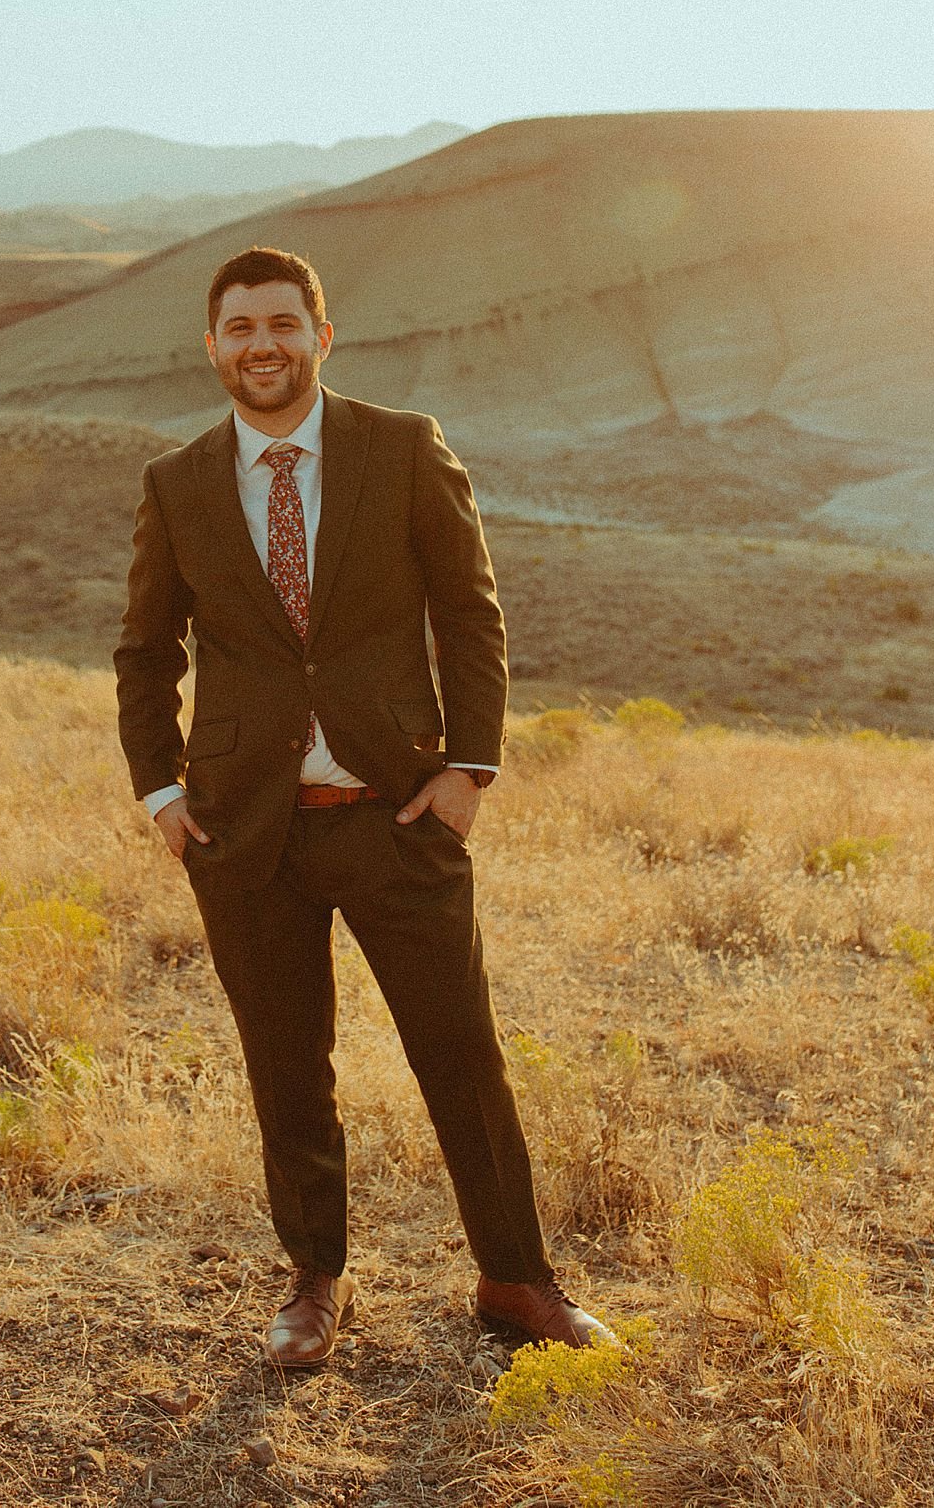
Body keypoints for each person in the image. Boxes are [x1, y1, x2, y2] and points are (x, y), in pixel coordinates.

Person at [114, 245, 616, 1370]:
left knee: (461, 1053)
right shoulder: (179, 483)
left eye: (284, 324)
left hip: (398, 813)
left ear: (322, 337)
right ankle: (314, 1284)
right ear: (212, 346)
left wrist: (468, 771)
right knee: (286, 1065)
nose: (263, 346)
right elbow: (144, 656)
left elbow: (469, 612)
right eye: (240, 327)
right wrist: (161, 794)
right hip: (247, 832)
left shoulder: (401, 449)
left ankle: (516, 1278)